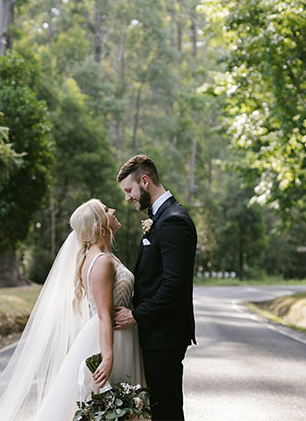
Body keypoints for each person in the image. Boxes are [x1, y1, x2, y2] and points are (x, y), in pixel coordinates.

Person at [0, 199, 144, 421]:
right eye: (107, 210)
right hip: (111, 340)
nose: (114, 210)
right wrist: (107, 358)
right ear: (99, 225)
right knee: (110, 407)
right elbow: (104, 315)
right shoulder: (101, 262)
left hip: (121, 336)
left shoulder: (105, 256)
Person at [113, 155, 197, 421]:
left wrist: (136, 315)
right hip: (156, 334)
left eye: (129, 190)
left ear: (145, 181)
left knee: (167, 411)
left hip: (165, 335)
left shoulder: (174, 220)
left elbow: (175, 286)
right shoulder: (160, 218)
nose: (128, 198)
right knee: (158, 409)